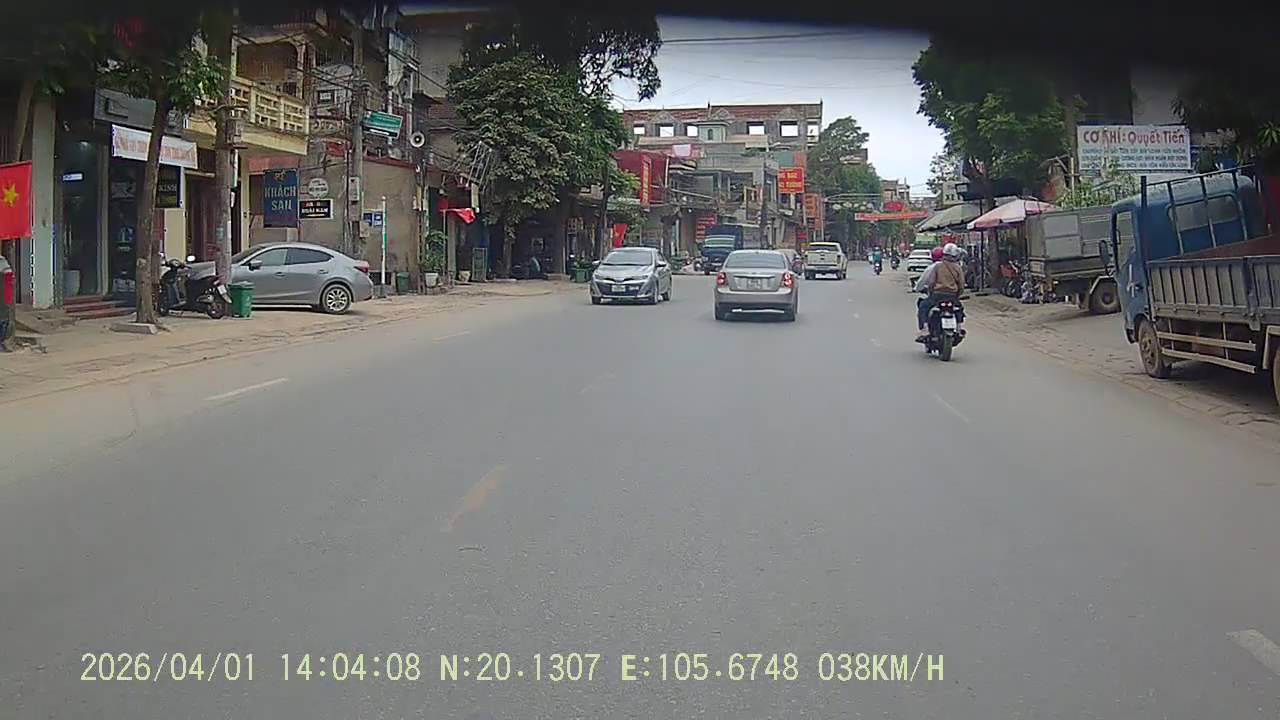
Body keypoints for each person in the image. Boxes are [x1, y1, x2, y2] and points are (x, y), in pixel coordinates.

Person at [914, 242, 965, 342]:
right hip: (952, 296)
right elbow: (961, 285)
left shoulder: (937, 266)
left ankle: (925, 329)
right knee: (959, 309)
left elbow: (932, 282)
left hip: (937, 296)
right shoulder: (958, 268)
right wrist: (957, 295)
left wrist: (931, 292)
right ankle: (959, 328)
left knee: (923, 306)